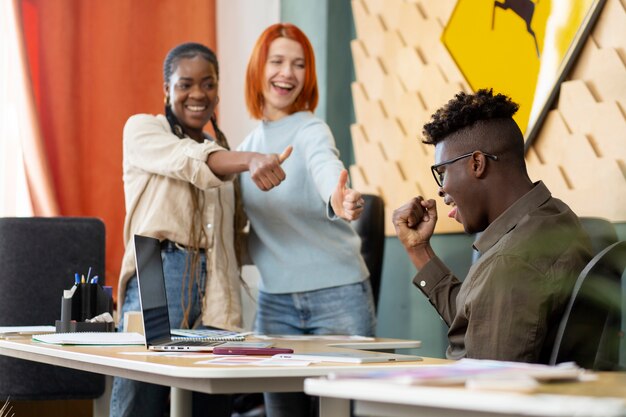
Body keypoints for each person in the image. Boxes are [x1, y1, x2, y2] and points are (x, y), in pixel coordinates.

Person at [110, 42, 290, 417]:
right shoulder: (144, 130)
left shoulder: (222, 151)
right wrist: (251, 159)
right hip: (160, 274)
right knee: (141, 402)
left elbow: (233, 235)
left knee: (210, 401)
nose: (197, 94)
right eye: (185, 84)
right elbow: (186, 160)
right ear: (166, 89)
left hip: (219, 289)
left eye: (208, 84)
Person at [392, 88, 592, 364]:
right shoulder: (554, 217)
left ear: (477, 163)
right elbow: (479, 319)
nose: (442, 190)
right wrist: (418, 250)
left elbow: (488, 388)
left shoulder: (510, 263)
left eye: (442, 172)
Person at [237, 23, 376, 417]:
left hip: (338, 298)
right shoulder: (246, 149)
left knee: (342, 412)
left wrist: (340, 196)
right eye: (277, 61)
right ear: (258, 68)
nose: (288, 73)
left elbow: (324, 165)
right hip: (274, 304)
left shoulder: (312, 129)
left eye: (299, 64)